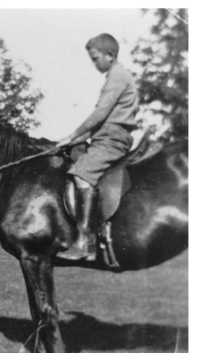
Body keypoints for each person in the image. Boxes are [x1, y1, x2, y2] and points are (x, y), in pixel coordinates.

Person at [56, 33, 138, 261]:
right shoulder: (115, 76)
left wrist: (73, 134)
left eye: (95, 59)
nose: (94, 64)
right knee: (75, 152)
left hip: (113, 139)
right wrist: (74, 140)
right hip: (106, 135)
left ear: (110, 55)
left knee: (82, 175)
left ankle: (85, 244)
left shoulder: (118, 76)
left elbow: (100, 114)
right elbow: (101, 120)